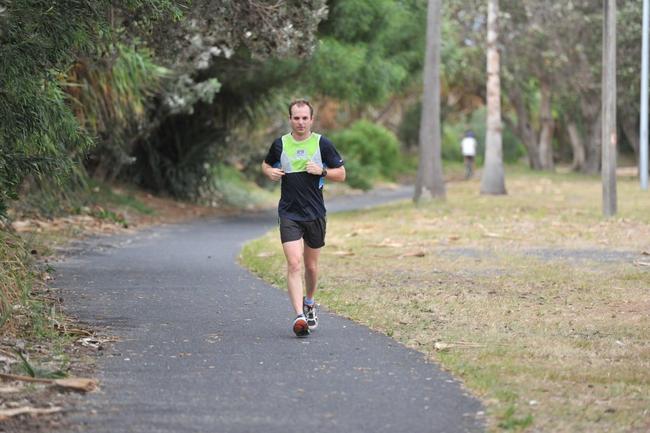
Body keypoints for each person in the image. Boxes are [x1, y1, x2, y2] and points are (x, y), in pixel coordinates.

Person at [261, 99, 346, 337]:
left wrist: (323, 171)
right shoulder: (280, 144)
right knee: (294, 263)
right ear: (290, 119)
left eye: (304, 118)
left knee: (310, 266)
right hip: (289, 212)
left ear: (311, 119)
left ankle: (309, 303)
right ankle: (299, 316)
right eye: (296, 118)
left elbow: (342, 174)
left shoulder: (322, 143)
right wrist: (270, 172)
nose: (300, 122)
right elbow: (265, 165)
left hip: (315, 213)